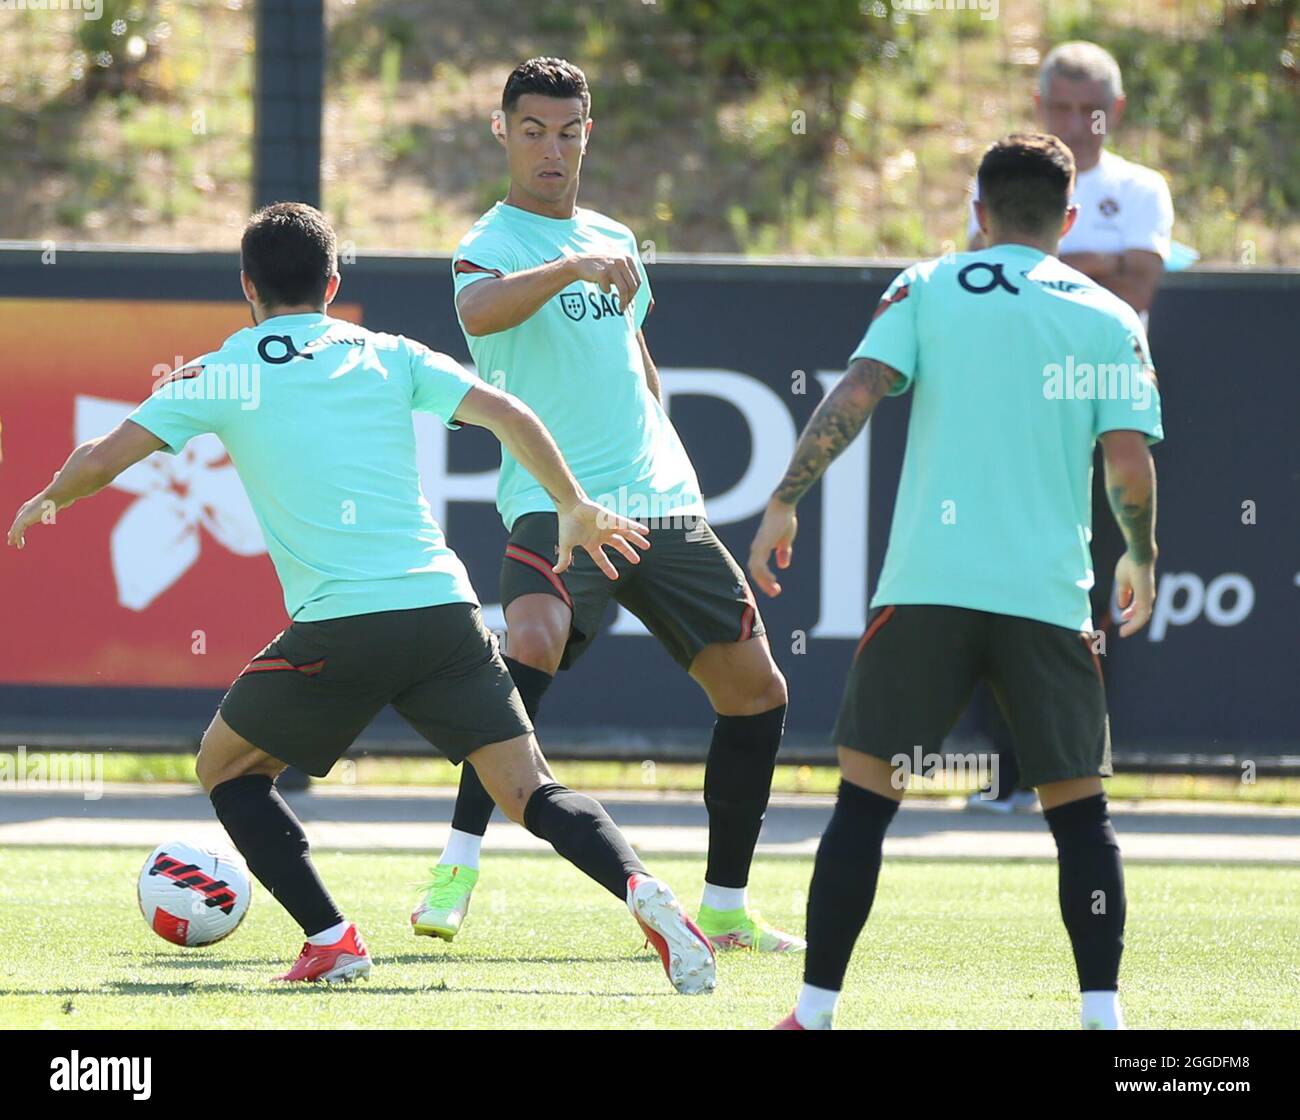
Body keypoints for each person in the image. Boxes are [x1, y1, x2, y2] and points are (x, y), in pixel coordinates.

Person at [7, 201, 717, 995]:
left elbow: (106, 455)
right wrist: (575, 504)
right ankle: (642, 889)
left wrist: (51, 496)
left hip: (343, 625)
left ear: (247, 286)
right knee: (531, 791)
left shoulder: (225, 369)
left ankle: (331, 939)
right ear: (334, 282)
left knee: (226, 766)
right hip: (445, 612)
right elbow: (511, 412)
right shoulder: (389, 353)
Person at [749, 134, 1163, 1029]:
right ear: (1067, 217)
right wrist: (1141, 552)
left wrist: (785, 500)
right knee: (1081, 819)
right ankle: (1103, 1019)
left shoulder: (929, 285)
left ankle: (814, 1013)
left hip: (928, 589)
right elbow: (1126, 464)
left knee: (862, 806)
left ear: (978, 211)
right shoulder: (1107, 315)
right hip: (1047, 598)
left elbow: (856, 393)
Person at [413, 57, 802, 954]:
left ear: (588, 133)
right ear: (502, 133)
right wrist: (569, 267)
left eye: (569, 131)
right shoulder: (494, 239)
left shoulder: (616, 237)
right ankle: (457, 865)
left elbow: (633, 352)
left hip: (660, 505)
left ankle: (728, 909)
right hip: (559, 502)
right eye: (535, 131)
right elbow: (481, 314)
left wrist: (662, 431)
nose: (553, 149)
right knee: (531, 644)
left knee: (757, 696)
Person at [966, 40, 1174, 812]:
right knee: (996, 584)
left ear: (1112, 113)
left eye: (1086, 109)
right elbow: (986, 276)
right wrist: (1095, 265)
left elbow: (1140, 279)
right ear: (1037, 107)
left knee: (1086, 594)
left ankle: (1075, 771)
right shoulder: (1001, 180)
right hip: (1017, 406)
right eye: (1057, 107)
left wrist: (1044, 262)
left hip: (1104, 409)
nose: (1073, 123)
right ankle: (1007, 772)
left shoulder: (1141, 187)